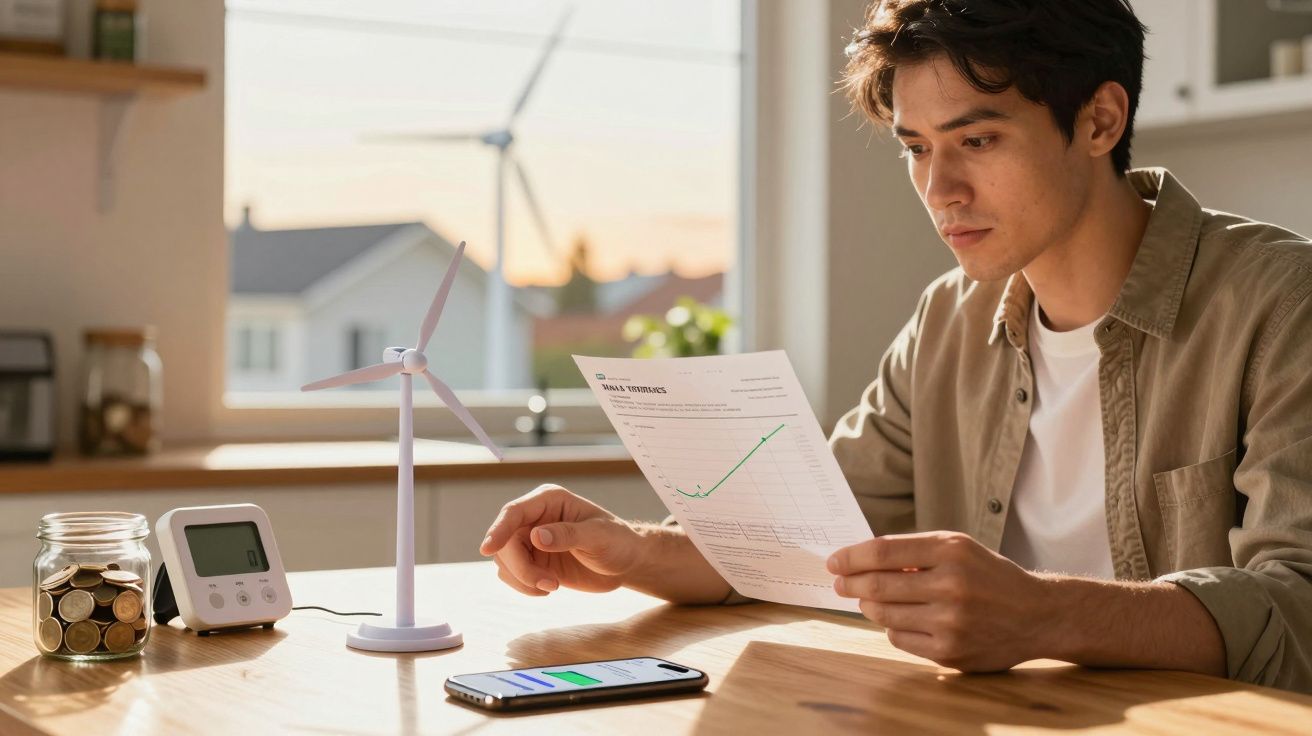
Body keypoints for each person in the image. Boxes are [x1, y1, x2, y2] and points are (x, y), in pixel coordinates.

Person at [480, 0, 1312, 692]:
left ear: (1099, 120)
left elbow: (1298, 610)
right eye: (917, 149)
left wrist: (1044, 613)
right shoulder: (948, 318)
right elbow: (808, 538)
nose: (940, 191)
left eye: (977, 140)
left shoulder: (1281, 303)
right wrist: (634, 548)